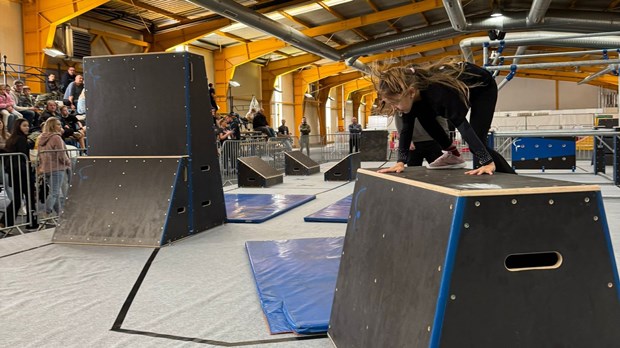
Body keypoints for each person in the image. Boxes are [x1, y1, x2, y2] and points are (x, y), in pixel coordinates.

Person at [372, 57, 514, 175]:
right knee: (424, 117)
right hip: (460, 90)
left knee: (478, 141)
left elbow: (462, 125)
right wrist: (400, 162)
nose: (394, 108)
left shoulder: (438, 94)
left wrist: (487, 161)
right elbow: (406, 129)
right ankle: (453, 154)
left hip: (483, 88)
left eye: (395, 102)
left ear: (411, 92)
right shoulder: (414, 98)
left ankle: (509, 175)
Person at [3, 119, 39, 229]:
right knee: (29, 198)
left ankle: (5, 222)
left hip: (13, 172)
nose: (27, 128)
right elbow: (24, 157)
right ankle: (32, 222)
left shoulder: (11, 139)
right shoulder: (21, 139)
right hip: (22, 172)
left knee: (18, 199)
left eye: (28, 125)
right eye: (24, 126)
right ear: (18, 126)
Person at [37, 118, 71, 216]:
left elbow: (39, 154)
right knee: (55, 192)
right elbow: (61, 154)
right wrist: (68, 162)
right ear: (53, 126)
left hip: (46, 168)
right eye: (58, 124)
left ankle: (59, 213)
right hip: (57, 168)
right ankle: (46, 212)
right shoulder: (56, 137)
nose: (60, 126)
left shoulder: (41, 138)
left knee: (54, 192)